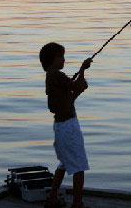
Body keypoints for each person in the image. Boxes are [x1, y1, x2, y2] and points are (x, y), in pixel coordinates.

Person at [39, 42, 92, 208]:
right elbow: (75, 86)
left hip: (61, 127)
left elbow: (70, 96)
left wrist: (79, 86)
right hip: (69, 127)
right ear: (52, 60)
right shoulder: (57, 76)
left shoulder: (52, 78)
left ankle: (53, 198)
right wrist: (83, 69)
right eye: (61, 56)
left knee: (63, 163)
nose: (64, 59)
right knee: (79, 166)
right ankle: (77, 204)